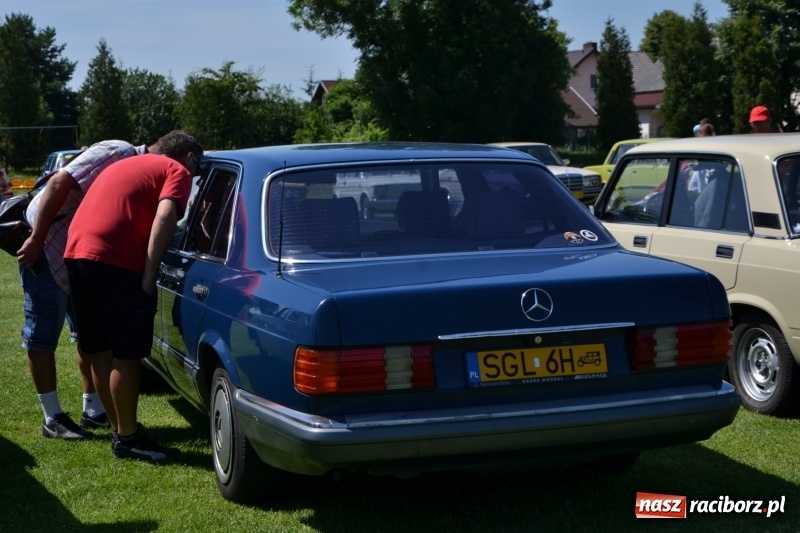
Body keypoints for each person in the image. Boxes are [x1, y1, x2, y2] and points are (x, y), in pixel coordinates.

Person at [64, 131, 203, 462]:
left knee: (99, 348)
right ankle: (128, 437)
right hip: (115, 260)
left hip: (76, 253)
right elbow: (166, 216)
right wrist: (149, 274)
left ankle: (121, 433)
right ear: (189, 158)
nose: (193, 176)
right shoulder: (177, 170)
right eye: (196, 168)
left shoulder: (125, 164)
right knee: (127, 355)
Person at [16, 139, 167, 440]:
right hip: (47, 248)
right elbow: (59, 182)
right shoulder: (118, 152)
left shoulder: (137, 168)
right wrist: (36, 239)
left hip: (81, 256)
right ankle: (52, 418)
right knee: (42, 334)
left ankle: (93, 409)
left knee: (89, 337)